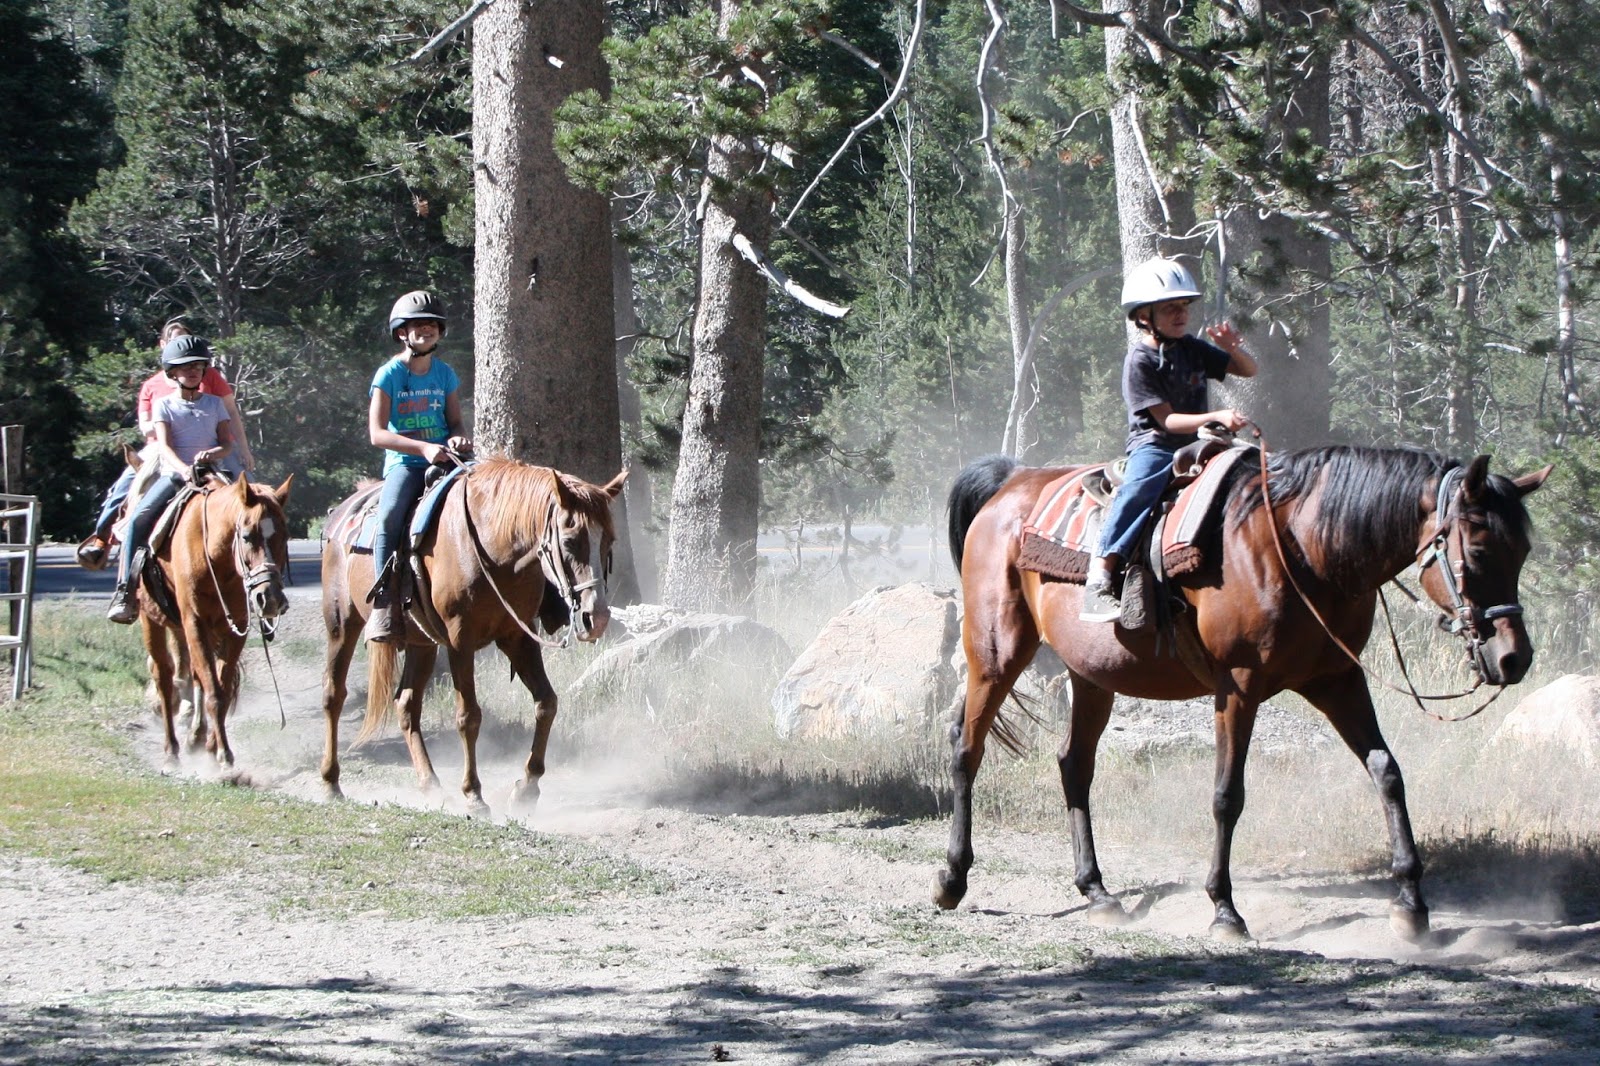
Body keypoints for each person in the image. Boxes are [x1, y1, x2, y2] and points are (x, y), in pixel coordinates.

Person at [1080, 257, 1259, 623]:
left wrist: (1233, 347)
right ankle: (1099, 577)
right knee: (1140, 489)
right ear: (1144, 316)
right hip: (1157, 444)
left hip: (1200, 442)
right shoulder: (1140, 361)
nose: (1181, 314)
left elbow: (1248, 370)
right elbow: (1168, 421)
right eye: (1169, 308)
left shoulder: (1192, 348)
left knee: (1253, 468)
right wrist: (1216, 416)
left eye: (1184, 306)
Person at [78, 319, 255, 568]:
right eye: (174, 341)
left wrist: (242, 449)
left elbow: (230, 414)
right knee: (126, 488)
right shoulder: (152, 386)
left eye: (196, 364)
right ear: (164, 346)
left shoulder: (211, 380)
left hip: (212, 447)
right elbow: (147, 427)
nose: (191, 368)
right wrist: (167, 424)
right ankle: (102, 540)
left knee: (256, 497)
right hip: (164, 448)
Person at [364, 290, 473, 643]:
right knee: (390, 515)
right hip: (407, 463)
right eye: (417, 325)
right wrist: (423, 448)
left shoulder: (445, 374)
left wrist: (457, 438)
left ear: (440, 332)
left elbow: (455, 421)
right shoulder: (389, 374)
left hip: (448, 459)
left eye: (431, 325)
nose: (425, 330)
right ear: (402, 333)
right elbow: (377, 434)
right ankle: (383, 601)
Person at [106, 335, 235, 624]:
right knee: (139, 519)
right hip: (175, 475)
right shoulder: (164, 405)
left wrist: (213, 453)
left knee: (257, 510)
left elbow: (228, 444)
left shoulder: (215, 404)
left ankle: (264, 589)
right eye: (185, 367)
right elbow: (164, 446)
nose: (193, 371)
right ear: (172, 373)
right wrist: (182, 468)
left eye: (198, 367)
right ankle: (126, 590)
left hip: (213, 472)